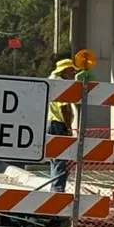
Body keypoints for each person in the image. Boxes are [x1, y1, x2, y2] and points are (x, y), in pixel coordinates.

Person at [42, 59, 77, 191]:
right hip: (58, 124)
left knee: (55, 159)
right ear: (64, 71)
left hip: (50, 123)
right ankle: (57, 192)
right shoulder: (61, 84)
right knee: (60, 160)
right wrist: (68, 127)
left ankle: (54, 190)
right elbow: (63, 108)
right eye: (71, 70)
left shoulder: (51, 80)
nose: (73, 73)